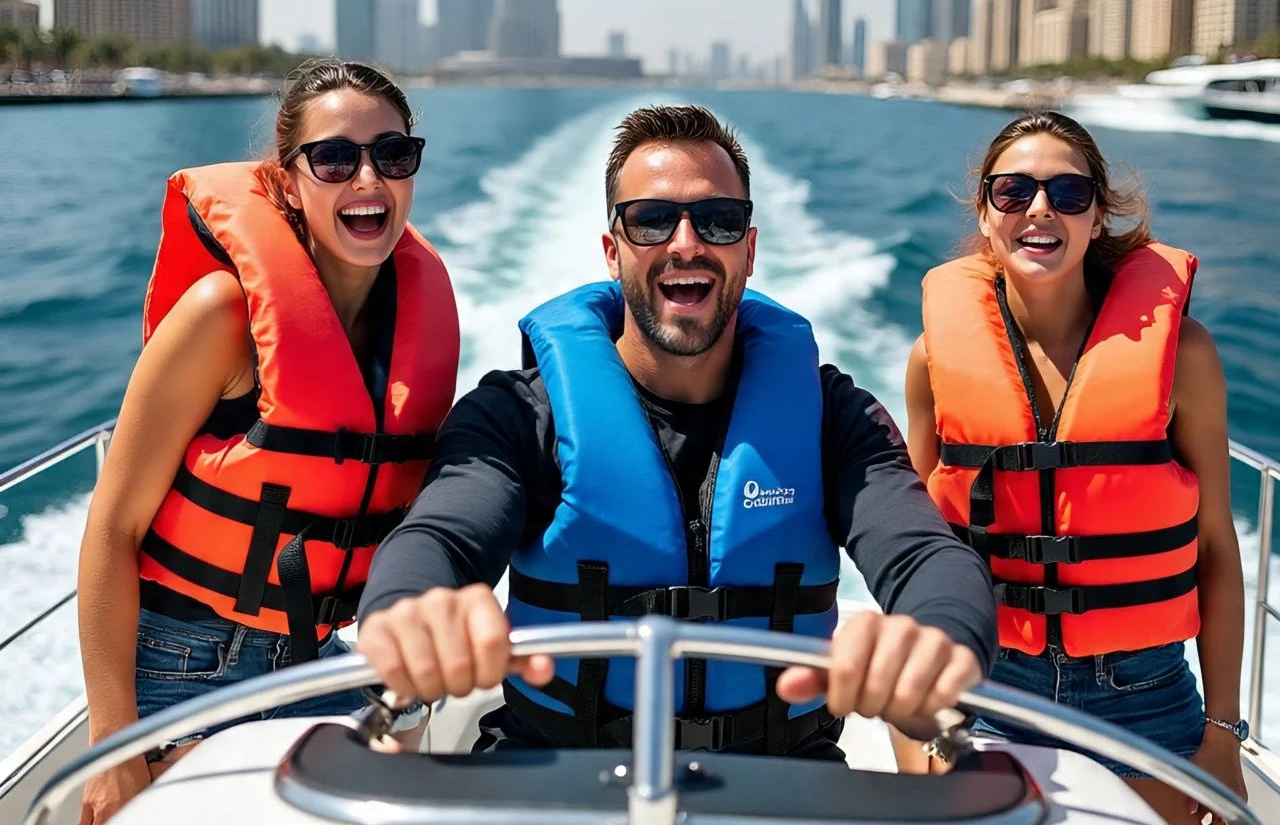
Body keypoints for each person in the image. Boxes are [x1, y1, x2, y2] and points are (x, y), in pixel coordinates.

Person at [356, 104, 996, 760]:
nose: (685, 243)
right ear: (613, 251)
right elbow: (440, 538)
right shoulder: (520, 414)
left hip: (784, 784)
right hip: (555, 778)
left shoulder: (834, 416)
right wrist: (410, 613)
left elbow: (924, 554)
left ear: (748, 251)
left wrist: (939, 641)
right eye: (652, 220)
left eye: (718, 221)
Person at [76, 59, 460, 824]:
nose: (367, 178)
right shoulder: (222, 318)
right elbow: (111, 529)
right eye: (334, 158)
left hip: (314, 659)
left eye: (392, 155)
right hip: (181, 666)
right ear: (287, 180)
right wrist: (113, 747)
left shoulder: (411, 329)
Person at [890, 110, 1247, 823]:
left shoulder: (1187, 358)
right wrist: (915, 720)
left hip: (1145, 698)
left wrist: (1223, 733)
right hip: (987, 683)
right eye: (1013, 192)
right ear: (986, 216)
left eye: (1069, 194)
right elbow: (912, 549)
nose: (1040, 210)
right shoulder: (933, 361)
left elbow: (1214, 549)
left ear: (1097, 217)